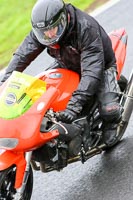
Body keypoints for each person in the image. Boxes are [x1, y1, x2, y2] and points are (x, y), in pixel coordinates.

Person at [1, 0, 122, 148]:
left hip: (100, 66)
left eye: (53, 29)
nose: (49, 34)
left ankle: (112, 125)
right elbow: (22, 55)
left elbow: (92, 72)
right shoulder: (44, 30)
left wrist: (73, 107)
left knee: (108, 110)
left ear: (64, 19)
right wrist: (5, 83)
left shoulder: (85, 28)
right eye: (45, 32)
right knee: (41, 97)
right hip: (67, 64)